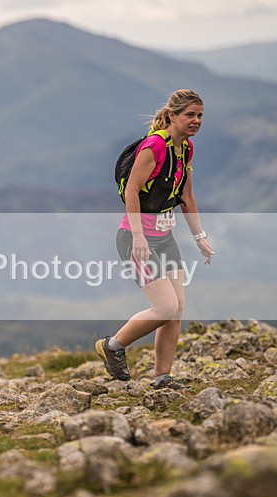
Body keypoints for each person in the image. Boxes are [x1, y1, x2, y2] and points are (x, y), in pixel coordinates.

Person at [96, 89, 214, 390]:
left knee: (177, 308)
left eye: (200, 115)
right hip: (135, 237)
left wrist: (199, 237)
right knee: (164, 307)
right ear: (172, 115)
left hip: (164, 237)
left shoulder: (185, 148)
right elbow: (132, 190)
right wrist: (138, 236)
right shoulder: (154, 146)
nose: (196, 120)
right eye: (190, 115)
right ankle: (112, 346)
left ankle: (162, 377)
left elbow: (186, 196)